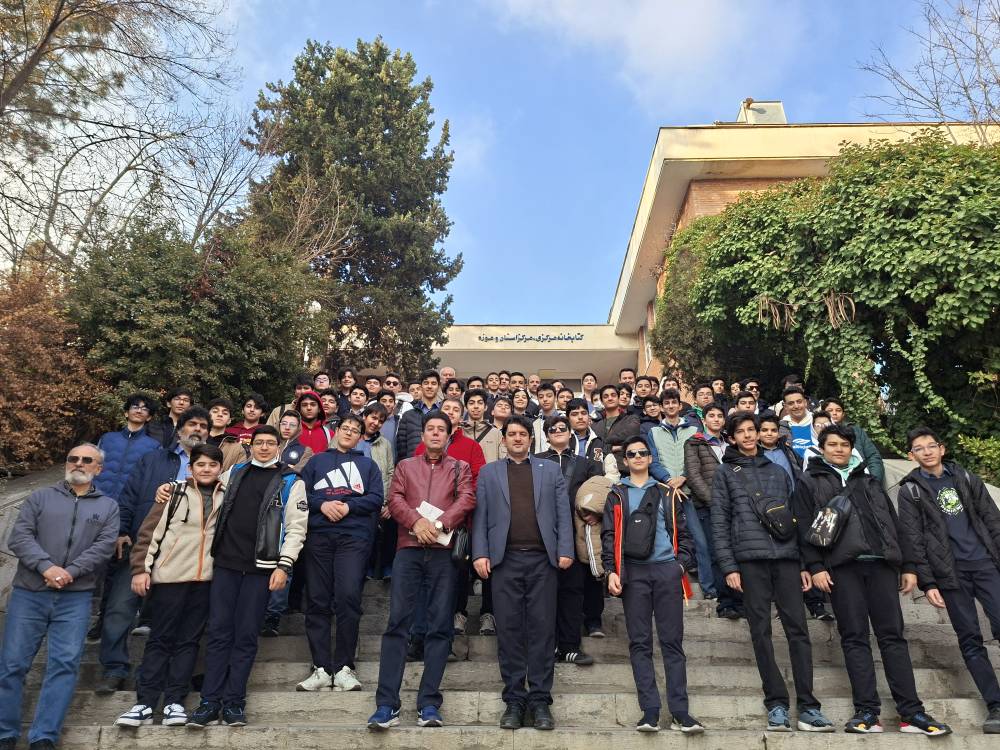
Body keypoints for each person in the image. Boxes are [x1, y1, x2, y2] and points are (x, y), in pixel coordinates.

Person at [794, 423, 950, 736]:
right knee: (854, 637)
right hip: (841, 568)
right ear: (822, 449)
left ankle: (912, 713)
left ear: (851, 448)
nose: (839, 449)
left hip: (881, 565)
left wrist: (908, 565)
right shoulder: (809, 480)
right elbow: (805, 528)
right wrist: (816, 566)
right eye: (833, 444)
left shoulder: (868, 480)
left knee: (893, 637)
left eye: (844, 445)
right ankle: (867, 711)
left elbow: (893, 522)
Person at [710, 412, 833, 733]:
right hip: (750, 561)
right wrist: (729, 566)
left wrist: (804, 563)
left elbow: (795, 517)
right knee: (761, 631)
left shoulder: (779, 471)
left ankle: (808, 706)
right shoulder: (724, 473)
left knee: (798, 630)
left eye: (752, 430)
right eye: (742, 431)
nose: (749, 435)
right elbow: (719, 522)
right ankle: (776, 703)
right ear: (732, 438)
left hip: (787, 558)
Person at [187, 426, 308, 728]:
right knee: (218, 633)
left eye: (270, 443)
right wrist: (168, 487)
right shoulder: (234, 473)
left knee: (245, 635)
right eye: (259, 442)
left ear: (279, 447)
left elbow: (296, 528)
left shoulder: (290, 480)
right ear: (250, 445)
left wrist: (284, 565)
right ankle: (208, 702)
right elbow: (202, 487)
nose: (264, 447)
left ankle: (234, 702)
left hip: (261, 569)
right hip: (226, 565)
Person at [0, 444, 118, 750]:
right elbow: (20, 537)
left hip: (75, 597)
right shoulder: (39, 497)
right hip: (29, 593)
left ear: (98, 469)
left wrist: (70, 572)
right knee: (12, 665)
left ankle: (44, 736)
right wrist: (47, 567)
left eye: (86, 460)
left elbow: (104, 547)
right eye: (72, 458)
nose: (78, 463)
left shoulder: (108, 506)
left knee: (64, 665)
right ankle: (4, 733)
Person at [367, 411, 476, 731]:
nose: (436, 433)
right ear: (423, 434)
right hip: (409, 549)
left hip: (443, 554)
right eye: (431, 429)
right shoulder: (405, 466)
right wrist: (416, 522)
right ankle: (386, 704)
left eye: (442, 429)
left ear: (449, 435)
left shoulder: (460, 467)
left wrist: (439, 524)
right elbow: (394, 498)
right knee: (397, 624)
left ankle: (429, 702)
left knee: (440, 626)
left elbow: (467, 498)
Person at [96, 407, 210, 695]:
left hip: (184, 552)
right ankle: (114, 668)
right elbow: (129, 495)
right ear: (180, 429)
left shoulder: (211, 467)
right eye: (192, 424)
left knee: (171, 616)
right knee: (120, 607)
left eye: (203, 426)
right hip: (142, 543)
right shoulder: (153, 459)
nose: (197, 429)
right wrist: (122, 530)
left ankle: (159, 673)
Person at [471, 415, 574, 731]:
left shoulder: (550, 470)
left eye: (522, 434)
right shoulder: (489, 472)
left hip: (543, 561)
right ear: (503, 440)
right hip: (505, 562)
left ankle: (540, 700)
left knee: (542, 630)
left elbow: (563, 512)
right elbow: (480, 516)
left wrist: (566, 548)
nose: (517, 438)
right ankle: (514, 700)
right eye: (512, 434)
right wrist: (480, 553)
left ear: (531, 439)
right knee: (509, 631)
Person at [114, 443, 226, 728]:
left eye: (212, 465)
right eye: (201, 464)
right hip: (170, 578)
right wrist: (141, 570)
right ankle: (145, 702)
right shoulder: (173, 493)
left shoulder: (226, 496)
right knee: (160, 639)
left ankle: (175, 700)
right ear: (191, 467)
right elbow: (149, 534)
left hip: (205, 581)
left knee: (189, 641)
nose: (206, 469)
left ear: (220, 469)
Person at [899, 427, 1000, 733]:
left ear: (941, 449)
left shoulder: (966, 478)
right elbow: (913, 539)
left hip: (985, 564)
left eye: (931, 445)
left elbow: (992, 519)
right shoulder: (910, 490)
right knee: (970, 638)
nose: (927, 451)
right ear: (911, 456)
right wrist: (929, 583)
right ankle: (995, 705)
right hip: (950, 574)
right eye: (919, 448)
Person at [603, 435, 701, 733]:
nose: (637, 457)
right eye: (631, 454)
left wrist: (679, 566)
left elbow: (684, 533)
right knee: (640, 642)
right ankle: (650, 711)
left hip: (666, 571)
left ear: (649, 458)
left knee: (672, 642)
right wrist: (611, 570)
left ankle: (681, 712)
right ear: (625, 461)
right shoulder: (616, 494)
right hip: (633, 574)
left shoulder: (667, 493)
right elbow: (609, 535)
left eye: (642, 453)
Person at [295, 414, 383, 693]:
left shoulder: (368, 465)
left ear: (360, 437)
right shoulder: (317, 461)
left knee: (348, 596)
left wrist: (348, 507)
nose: (349, 432)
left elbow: (376, 498)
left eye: (355, 430)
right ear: (336, 431)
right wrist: (322, 505)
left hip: (353, 538)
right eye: (345, 428)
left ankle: (345, 666)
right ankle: (321, 667)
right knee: (317, 599)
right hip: (319, 536)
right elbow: (300, 493)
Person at [536, 415, 602, 666]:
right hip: (541, 535)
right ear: (546, 435)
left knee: (572, 591)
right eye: (552, 429)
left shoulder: (585, 463)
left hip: (575, 534)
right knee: (544, 594)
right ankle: (549, 645)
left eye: (562, 428)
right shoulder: (535, 461)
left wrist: (595, 512)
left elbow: (599, 490)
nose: (558, 431)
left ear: (570, 432)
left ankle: (570, 646)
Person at [647, 388, 716, 599]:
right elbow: (653, 461)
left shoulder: (694, 428)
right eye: (666, 403)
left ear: (679, 405)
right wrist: (669, 480)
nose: (670, 406)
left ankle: (709, 588)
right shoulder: (653, 432)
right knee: (667, 542)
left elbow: (699, 457)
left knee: (701, 542)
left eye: (673, 402)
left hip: (689, 492)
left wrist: (684, 477)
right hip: (666, 493)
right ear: (661, 407)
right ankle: (670, 588)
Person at [684, 404, 742, 619]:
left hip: (736, 506)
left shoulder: (731, 442)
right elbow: (693, 476)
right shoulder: (694, 442)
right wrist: (715, 502)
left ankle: (740, 599)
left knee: (737, 552)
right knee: (718, 554)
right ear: (704, 420)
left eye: (720, 416)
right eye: (712, 416)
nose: (716, 419)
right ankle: (725, 602)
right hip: (708, 507)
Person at [95, 393, 161, 503]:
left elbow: (151, 478)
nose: (139, 411)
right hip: (98, 497)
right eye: (135, 407)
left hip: (128, 504)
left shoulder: (154, 446)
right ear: (126, 413)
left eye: (144, 409)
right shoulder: (107, 438)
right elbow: (92, 466)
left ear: (149, 417)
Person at [360, 403, 397, 581]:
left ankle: (384, 569)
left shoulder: (385, 444)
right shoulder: (351, 438)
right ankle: (364, 569)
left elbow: (390, 472)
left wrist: (388, 501)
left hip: (378, 499)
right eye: (373, 418)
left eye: (381, 421)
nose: (376, 423)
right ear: (364, 417)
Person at [821, 397, 885, 484]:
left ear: (843, 414)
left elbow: (873, 456)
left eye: (838, 410)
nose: (834, 413)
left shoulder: (856, 431)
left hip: (862, 480)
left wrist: (874, 482)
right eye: (830, 410)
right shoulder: (816, 432)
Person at [592, 385, 639, 474]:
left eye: (613, 395)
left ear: (618, 398)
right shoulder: (595, 425)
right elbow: (593, 448)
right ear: (601, 401)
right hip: (599, 472)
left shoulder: (631, 419)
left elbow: (630, 437)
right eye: (606, 396)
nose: (610, 398)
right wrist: (612, 447)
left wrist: (603, 444)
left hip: (624, 471)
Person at [395, 370, 441, 461]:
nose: (429, 386)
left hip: (440, 464)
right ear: (421, 386)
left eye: (433, 383)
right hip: (413, 465)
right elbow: (401, 449)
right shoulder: (408, 415)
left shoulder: (444, 413)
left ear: (439, 387)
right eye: (426, 383)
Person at [463, 388, 505, 463]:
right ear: (466, 407)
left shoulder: (496, 433)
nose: (476, 406)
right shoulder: (459, 432)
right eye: (471, 403)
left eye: (480, 403)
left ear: (485, 407)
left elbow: (503, 461)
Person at [295, 390, 334, 456]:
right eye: (304, 405)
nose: (309, 408)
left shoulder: (329, 434)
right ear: (299, 409)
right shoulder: (292, 431)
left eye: (313, 404)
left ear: (319, 409)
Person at [778, 386, 814, 459]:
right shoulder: (780, 427)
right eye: (791, 403)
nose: (796, 406)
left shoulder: (818, 422)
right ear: (785, 407)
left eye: (799, 402)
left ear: (805, 403)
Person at [531, 383, 562, 452]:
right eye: (541, 397)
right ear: (537, 399)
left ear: (555, 397)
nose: (545, 399)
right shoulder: (534, 423)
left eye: (549, 396)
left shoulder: (564, 420)